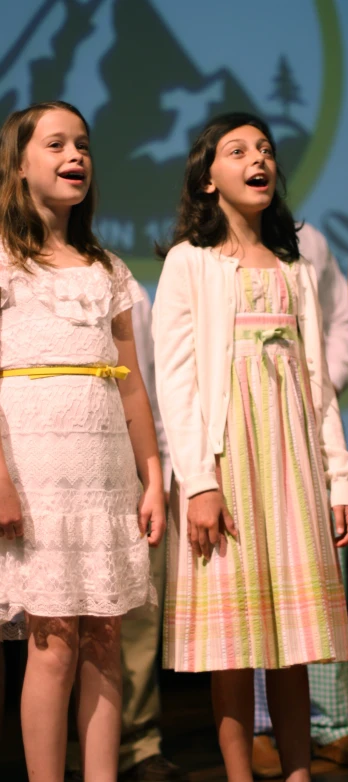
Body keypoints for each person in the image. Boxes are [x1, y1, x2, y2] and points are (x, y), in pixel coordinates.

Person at [153, 112, 348, 782]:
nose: (257, 158)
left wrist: (338, 478)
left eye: (265, 148)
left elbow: (318, 387)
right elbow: (178, 383)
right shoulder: (191, 263)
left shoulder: (295, 267)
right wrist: (199, 481)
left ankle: (297, 772)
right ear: (208, 179)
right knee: (233, 642)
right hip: (227, 461)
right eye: (237, 150)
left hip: (291, 463)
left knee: (294, 641)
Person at [0, 101, 166, 782]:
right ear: (19, 165)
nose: (76, 156)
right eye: (57, 144)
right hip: (36, 469)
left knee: (103, 638)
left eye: (84, 146)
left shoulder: (107, 269)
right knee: (54, 644)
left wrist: (152, 475)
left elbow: (129, 384)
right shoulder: (4, 262)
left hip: (103, 473)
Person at [251, 223, 348, 778]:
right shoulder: (202, 250)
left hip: (302, 415)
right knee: (251, 582)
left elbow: (338, 321)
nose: (259, 165)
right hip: (247, 424)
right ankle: (260, 726)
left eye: (266, 152)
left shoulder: (310, 240)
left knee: (314, 583)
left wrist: (316, 378)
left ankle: (332, 724)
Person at [65, 285, 180, 782]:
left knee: (129, 621)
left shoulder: (120, 285)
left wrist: (158, 475)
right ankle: (68, 751)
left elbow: (143, 387)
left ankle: (137, 742)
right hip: (50, 469)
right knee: (56, 626)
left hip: (125, 468)